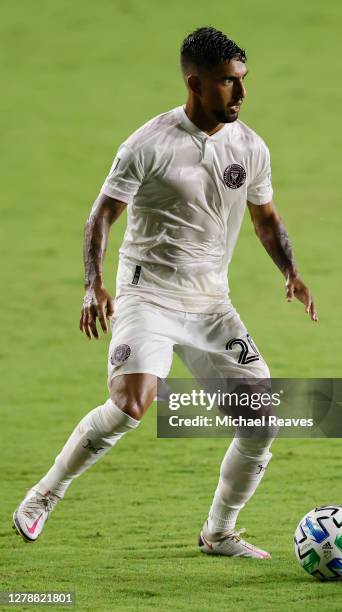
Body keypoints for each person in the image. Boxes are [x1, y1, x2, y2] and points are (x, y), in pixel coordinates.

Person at [13, 26, 317, 558]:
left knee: (262, 420)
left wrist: (289, 270)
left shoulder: (250, 146)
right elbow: (102, 215)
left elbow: (265, 218)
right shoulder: (148, 144)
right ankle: (44, 494)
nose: (241, 94)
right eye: (228, 83)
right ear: (195, 84)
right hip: (147, 295)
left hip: (211, 304)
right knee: (132, 404)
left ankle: (218, 532)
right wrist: (93, 285)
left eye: (243, 80)